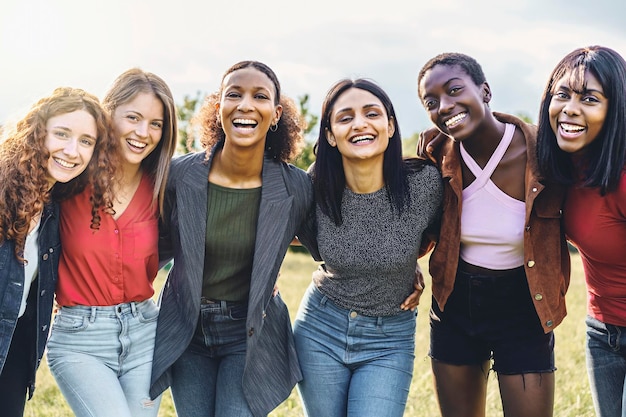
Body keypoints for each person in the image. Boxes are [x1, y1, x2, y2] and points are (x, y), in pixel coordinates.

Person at [149, 60, 315, 417]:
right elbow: (145, 242)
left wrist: (401, 268)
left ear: (275, 114)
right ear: (219, 106)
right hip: (186, 328)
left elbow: (328, 243)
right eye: (234, 94)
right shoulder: (179, 175)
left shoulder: (295, 186)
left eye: (260, 96)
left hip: (249, 332)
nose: (245, 105)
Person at [415, 52, 570, 417]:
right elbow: (411, 222)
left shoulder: (544, 153)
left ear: (484, 91)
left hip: (526, 304)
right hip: (456, 302)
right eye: (432, 102)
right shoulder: (435, 155)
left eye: (455, 90)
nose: (445, 106)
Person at [292, 78, 443, 417]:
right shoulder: (317, 185)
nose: (359, 124)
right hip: (319, 329)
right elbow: (287, 234)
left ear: (389, 126)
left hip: (388, 338)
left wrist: (410, 267)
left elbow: (435, 237)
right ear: (330, 135)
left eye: (371, 114)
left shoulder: (423, 184)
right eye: (345, 117)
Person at [46, 68, 178, 417]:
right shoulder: (69, 179)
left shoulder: (164, 188)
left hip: (146, 335)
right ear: (109, 115)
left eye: (155, 123)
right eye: (132, 118)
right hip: (79, 340)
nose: (142, 133)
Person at [0, 86, 118, 417]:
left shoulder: (54, 208)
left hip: (13, 352)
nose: (72, 150)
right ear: (38, 133)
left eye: (86, 141)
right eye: (62, 134)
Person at [536, 45, 626, 417]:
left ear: (615, 109)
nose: (571, 108)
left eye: (589, 98)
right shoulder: (563, 166)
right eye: (563, 94)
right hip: (602, 333)